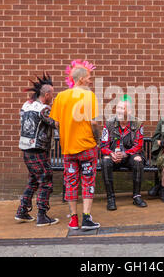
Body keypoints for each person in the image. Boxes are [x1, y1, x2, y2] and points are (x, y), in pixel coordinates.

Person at [50, 59, 101, 230]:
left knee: (70, 183)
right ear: (80, 79)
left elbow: (56, 123)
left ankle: (73, 219)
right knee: (88, 181)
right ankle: (87, 218)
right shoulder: (89, 96)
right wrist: (98, 139)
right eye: (88, 77)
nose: (90, 80)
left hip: (68, 149)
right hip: (87, 146)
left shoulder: (61, 97)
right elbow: (94, 123)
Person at [15, 73, 60, 226]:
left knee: (34, 180)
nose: (52, 97)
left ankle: (22, 211)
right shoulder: (44, 109)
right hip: (38, 150)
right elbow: (56, 124)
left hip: (26, 149)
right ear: (46, 94)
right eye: (52, 94)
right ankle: (42, 215)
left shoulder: (26, 105)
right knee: (46, 180)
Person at [100, 95, 147, 210]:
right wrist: (111, 154)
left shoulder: (137, 124)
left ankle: (136, 196)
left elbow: (138, 146)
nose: (119, 110)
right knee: (105, 161)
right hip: (114, 155)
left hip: (130, 155)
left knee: (138, 160)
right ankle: (110, 198)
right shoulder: (109, 123)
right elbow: (103, 145)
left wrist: (125, 153)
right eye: (118, 108)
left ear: (129, 111)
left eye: (122, 108)